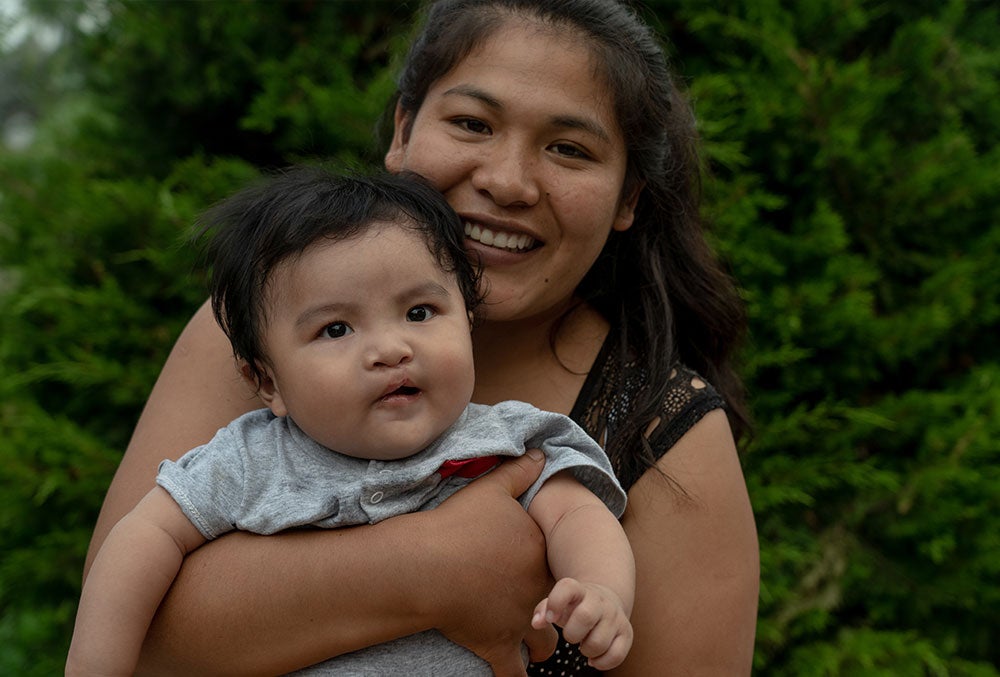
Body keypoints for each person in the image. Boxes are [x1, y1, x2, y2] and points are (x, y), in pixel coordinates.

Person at [82, 0, 760, 674]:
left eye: (568, 148)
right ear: (404, 129)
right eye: (471, 123)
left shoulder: (662, 428)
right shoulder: (255, 335)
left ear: (628, 197)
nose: (506, 181)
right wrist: (428, 565)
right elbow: (134, 626)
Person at [67, 169, 635, 676]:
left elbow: (576, 514)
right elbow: (144, 537)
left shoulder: (509, 437)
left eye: (419, 313)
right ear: (267, 382)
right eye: (336, 329)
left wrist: (601, 590)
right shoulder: (249, 460)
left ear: (466, 320)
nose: (390, 349)